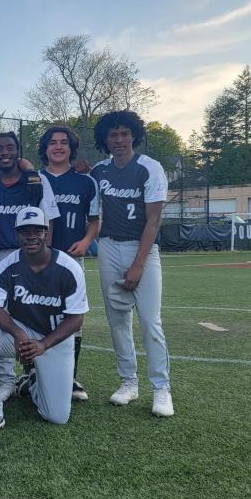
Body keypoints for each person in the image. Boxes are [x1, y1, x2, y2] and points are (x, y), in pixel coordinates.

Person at [0, 207, 88, 435]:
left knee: (56, 416)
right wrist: (17, 333)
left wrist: (44, 345)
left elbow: (76, 319)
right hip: (22, 332)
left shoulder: (68, 267)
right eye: (25, 231)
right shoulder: (8, 265)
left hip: (55, 338)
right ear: (17, 235)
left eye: (36, 231)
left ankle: (32, 383)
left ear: (46, 233)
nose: (31, 236)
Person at [89, 110, 174, 417]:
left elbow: (154, 221)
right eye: (113, 135)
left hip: (143, 249)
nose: (119, 140)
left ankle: (161, 389)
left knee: (151, 321)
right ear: (105, 139)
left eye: (125, 133)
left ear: (134, 136)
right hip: (109, 246)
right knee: (117, 321)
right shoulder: (99, 171)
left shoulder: (150, 168)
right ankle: (129, 382)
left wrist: (138, 264)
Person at [0, 131, 60, 401]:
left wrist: (47, 259)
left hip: (31, 255)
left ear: (18, 150)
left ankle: (37, 376)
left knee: (35, 313)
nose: (4, 153)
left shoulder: (36, 180)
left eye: (10, 147)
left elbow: (49, 221)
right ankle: (6, 380)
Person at [37, 125, 99, 401]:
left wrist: (86, 241)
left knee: (72, 318)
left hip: (71, 258)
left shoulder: (86, 181)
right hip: (37, 259)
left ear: (71, 148)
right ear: (45, 149)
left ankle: (70, 377)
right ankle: (31, 374)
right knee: (35, 315)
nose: (58, 147)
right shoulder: (34, 179)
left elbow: (95, 220)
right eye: (53, 143)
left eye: (63, 142)